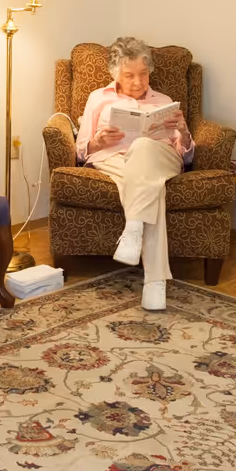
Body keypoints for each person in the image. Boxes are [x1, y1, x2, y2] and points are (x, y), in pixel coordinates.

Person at [74, 37, 193, 311]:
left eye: (144, 74)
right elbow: (82, 151)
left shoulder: (164, 102)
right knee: (153, 188)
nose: (139, 82)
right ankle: (155, 283)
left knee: (143, 148)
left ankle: (132, 231)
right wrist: (99, 142)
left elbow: (186, 155)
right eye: (129, 75)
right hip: (113, 158)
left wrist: (184, 132)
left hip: (161, 157)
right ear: (115, 74)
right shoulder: (98, 98)